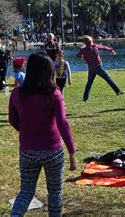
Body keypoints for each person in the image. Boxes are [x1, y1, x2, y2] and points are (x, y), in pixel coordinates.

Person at [8, 52, 77, 216]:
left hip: (27, 150)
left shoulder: (17, 93)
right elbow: (62, 123)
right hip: (53, 150)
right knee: (55, 192)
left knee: (25, 191)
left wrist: (25, 132)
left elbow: (12, 120)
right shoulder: (54, 94)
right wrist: (72, 152)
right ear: (49, 71)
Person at [76, 35, 124, 102]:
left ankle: (85, 98)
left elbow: (77, 55)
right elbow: (103, 47)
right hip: (98, 67)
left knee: (89, 83)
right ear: (91, 42)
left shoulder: (83, 50)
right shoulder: (94, 46)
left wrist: (82, 54)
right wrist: (111, 50)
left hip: (91, 69)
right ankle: (118, 91)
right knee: (108, 79)